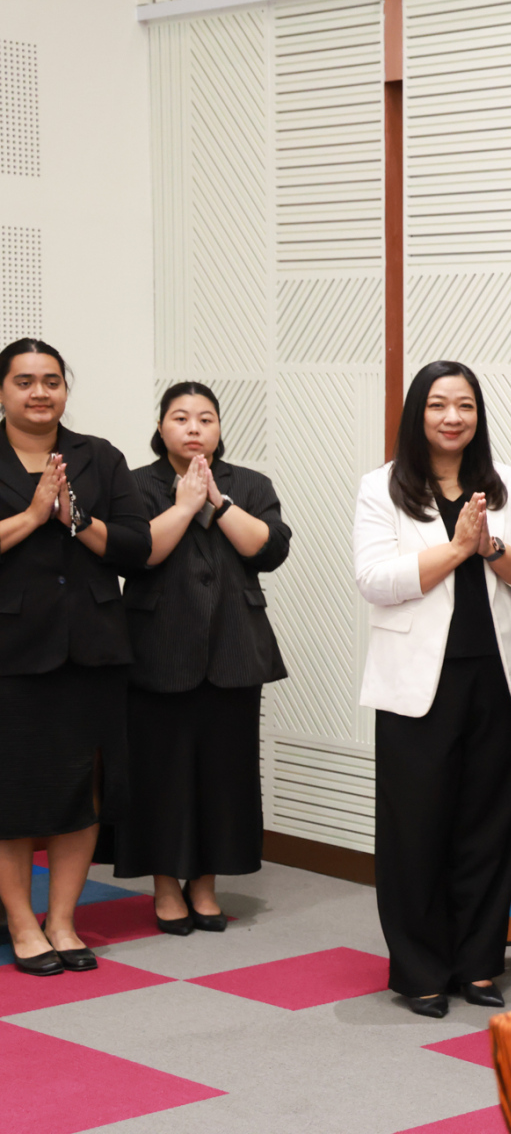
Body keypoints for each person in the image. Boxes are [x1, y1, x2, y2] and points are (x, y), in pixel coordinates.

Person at [353, 361, 511, 1017]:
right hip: (418, 684)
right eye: (438, 404)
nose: (452, 417)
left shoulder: (505, 483)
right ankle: (419, 969)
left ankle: (478, 963)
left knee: (489, 825)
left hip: (499, 679)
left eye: (465, 405)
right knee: (416, 829)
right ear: (418, 413)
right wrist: (457, 549)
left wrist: (491, 549)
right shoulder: (383, 487)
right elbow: (374, 579)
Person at [113, 383, 292, 935]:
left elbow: (269, 549)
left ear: (218, 428)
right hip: (156, 647)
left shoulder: (250, 484)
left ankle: (206, 885)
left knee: (225, 774)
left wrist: (217, 500)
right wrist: (185, 504)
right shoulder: (134, 484)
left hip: (234, 646)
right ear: (160, 427)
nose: (194, 428)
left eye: (205, 418)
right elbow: (137, 554)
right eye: (181, 417)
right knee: (159, 774)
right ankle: (166, 887)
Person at [0, 339, 151, 976]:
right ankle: (21, 922)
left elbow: (136, 546)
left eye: (52, 380)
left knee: (81, 789)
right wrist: (35, 515)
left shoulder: (99, 455)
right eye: (25, 381)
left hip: (93, 646)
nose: (40, 392)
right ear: (3, 391)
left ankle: (62, 920)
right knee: (12, 793)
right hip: (12, 651)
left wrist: (77, 520)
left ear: (65, 388)